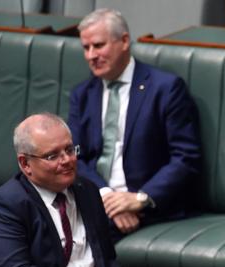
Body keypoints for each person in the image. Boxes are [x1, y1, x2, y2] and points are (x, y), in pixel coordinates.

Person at [0, 113, 165, 267]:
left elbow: (107, 259)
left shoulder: (87, 191)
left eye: (69, 149)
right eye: (52, 156)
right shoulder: (4, 205)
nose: (66, 160)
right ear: (25, 164)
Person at [69, 8, 200, 239]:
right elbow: (74, 156)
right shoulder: (83, 94)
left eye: (98, 46)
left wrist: (139, 199)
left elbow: (185, 158)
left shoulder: (165, 88)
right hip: (98, 198)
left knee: (76, 236)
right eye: (86, 48)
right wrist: (108, 198)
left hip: (148, 203)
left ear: (124, 41)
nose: (91, 55)